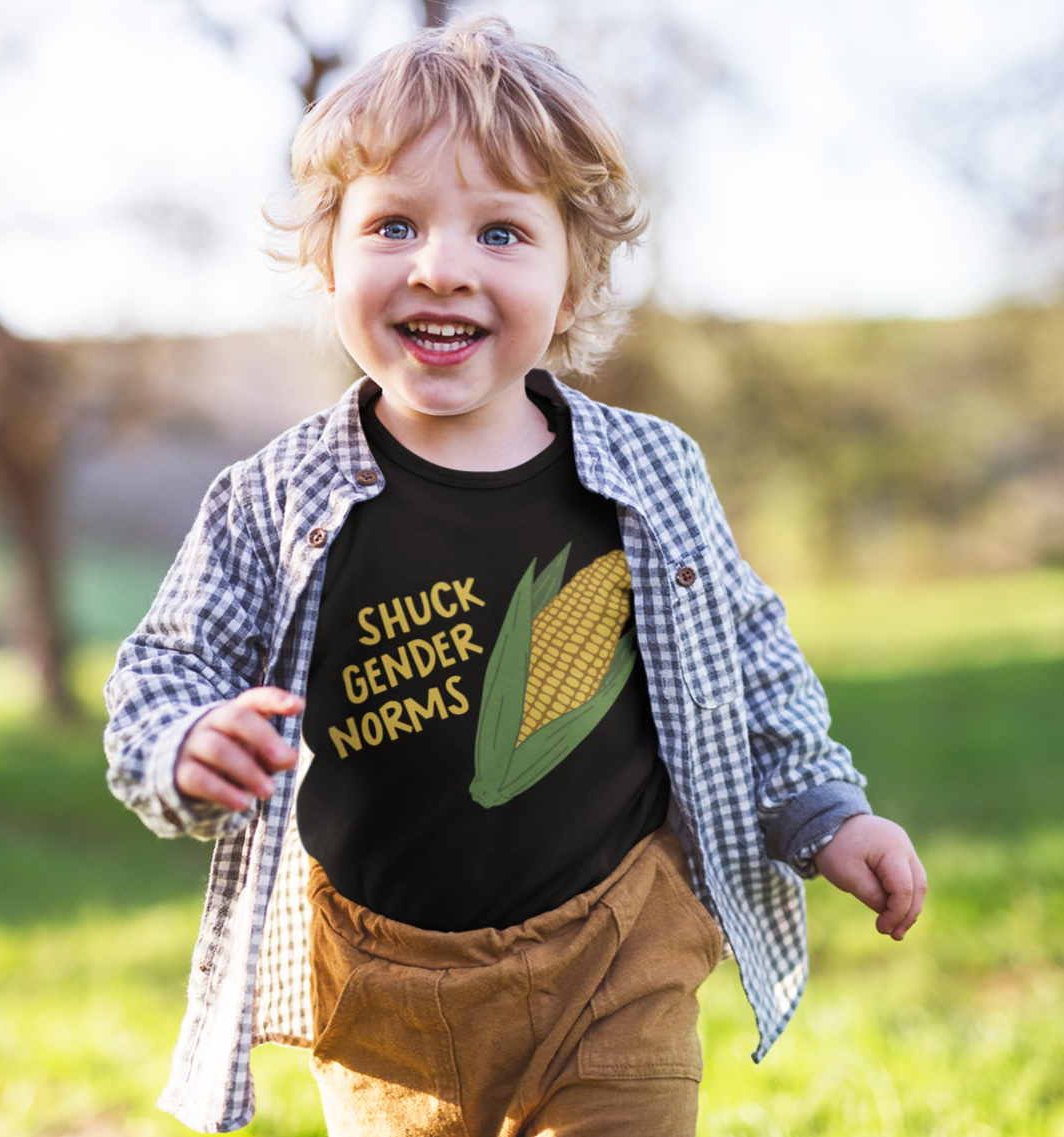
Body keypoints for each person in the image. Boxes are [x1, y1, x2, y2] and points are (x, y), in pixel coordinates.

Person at [104, 16, 927, 1136]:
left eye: (501, 232)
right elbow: (163, 671)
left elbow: (748, 658)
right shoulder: (276, 499)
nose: (440, 266)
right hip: (384, 989)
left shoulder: (648, 472)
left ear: (574, 280)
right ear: (330, 257)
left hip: (615, 955)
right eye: (394, 223)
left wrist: (826, 811)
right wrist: (185, 743)